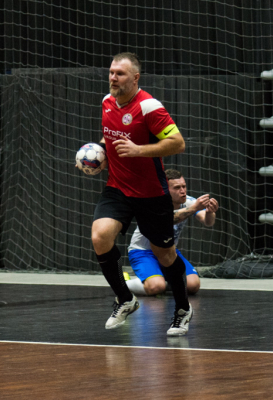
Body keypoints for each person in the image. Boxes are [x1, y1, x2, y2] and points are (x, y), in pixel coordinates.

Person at [91, 52, 192, 335]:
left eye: (120, 74)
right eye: (111, 72)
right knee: (100, 236)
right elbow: (109, 135)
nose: (113, 78)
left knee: (165, 255)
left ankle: (183, 309)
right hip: (118, 188)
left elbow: (178, 143)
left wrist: (138, 150)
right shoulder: (107, 102)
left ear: (135, 78)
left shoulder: (149, 107)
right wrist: (99, 154)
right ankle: (125, 299)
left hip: (151, 194)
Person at [125, 169, 219, 296]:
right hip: (142, 252)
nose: (183, 191)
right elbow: (168, 219)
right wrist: (194, 208)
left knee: (193, 285)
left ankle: (162, 281)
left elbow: (208, 222)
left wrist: (210, 212)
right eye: (177, 188)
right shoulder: (155, 204)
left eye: (184, 186)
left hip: (169, 251)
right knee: (156, 287)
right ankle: (124, 283)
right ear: (165, 189)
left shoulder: (189, 202)